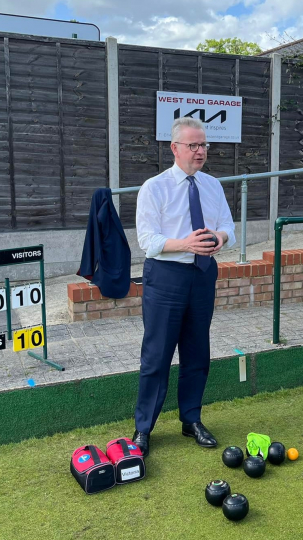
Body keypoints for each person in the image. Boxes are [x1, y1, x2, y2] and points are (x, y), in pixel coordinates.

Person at [131, 117, 236, 458]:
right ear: (175, 148)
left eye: (204, 145)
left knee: (197, 352)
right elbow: (147, 240)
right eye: (193, 145)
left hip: (203, 275)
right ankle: (144, 427)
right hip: (166, 277)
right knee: (157, 355)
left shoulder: (212, 185)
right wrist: (185, 244)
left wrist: (218, 238)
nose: (200, 151)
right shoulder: (154, 187)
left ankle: (191, 419)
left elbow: (228, 228)